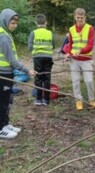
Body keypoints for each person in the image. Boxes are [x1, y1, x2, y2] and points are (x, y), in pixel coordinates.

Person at [0, 8, 36, 139]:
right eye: (12, 23)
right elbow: (12, 60)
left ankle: (5, 123)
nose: (14, 25)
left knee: (8, 99)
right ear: (5, 21)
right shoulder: (3, 36)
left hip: (7, 73)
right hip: (2, 74)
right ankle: (1, 128)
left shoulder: (6, 34)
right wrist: (27, 70)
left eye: (16, 23)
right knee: (3, 101)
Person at [64, 8, 95, 111]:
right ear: (75, 17)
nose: (79, 20)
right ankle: (78, 100)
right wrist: (68, 54)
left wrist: (81, 51)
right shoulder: (71, 29)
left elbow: (90, 45)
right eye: (78, 18)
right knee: (75, 81)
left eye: (81, 18)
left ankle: (91, 100)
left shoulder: (90, 28)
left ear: (85, 17)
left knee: (89, 80)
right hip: (74, 60)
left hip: (86, 59)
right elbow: (70, 45)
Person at [28, 14, 55, 106]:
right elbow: (53, 45)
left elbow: (30, 46)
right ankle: (46, 100)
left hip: (37, 58)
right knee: (47, 77)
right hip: (48, 57)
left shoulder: (33, 33)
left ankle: (39, 99)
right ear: (46, 23)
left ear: (36, 23)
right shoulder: (50, 33)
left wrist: (35, 51)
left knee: (38, 77)